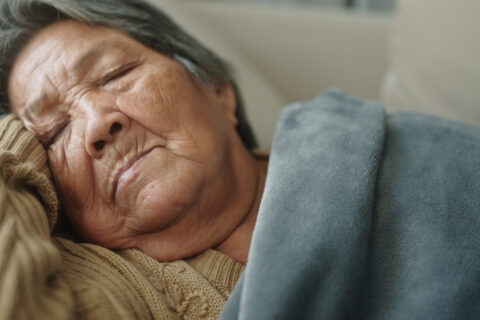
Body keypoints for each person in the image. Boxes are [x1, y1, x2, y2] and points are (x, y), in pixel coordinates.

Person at [1, 1, 479, 320]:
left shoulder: (402, 154)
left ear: (214, 87)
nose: (95, 124)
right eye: (53, 131)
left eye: (115, 74)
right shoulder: (93, 287)